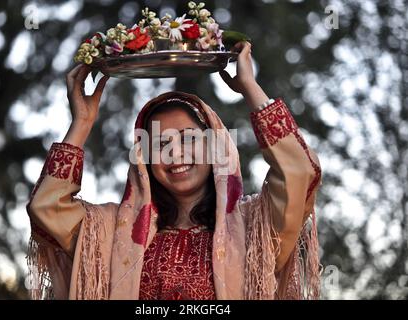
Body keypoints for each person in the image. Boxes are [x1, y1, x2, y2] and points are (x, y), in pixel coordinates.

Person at [26, 42, 322, 300]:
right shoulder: (113, 230)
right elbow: (46, 207)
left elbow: (299, 171)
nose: (176, 153)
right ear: (144, 161)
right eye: (160, 144)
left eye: (189, 138)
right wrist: (82, 123)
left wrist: (250, 88)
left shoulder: (255, 225)